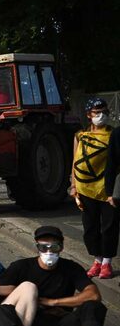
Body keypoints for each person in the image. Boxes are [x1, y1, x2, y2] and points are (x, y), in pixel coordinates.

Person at [0, 226, 107, 326]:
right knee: (3, 309)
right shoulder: (21, 267)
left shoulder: (71, 268)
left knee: (94, 306)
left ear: (61, 247)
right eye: (43, 246)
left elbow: (93, 295)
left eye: (53, 246)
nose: (49, 251)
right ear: (37, 247)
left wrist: (54, 302)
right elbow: (2, 295)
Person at [70, 98, 118, 279]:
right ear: (89, 115)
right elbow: (75, 161)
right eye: (97, 112)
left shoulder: (114, 135)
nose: (101, 116)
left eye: (104, 112)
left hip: (107, 190)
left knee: (109, 227)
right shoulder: (80, 135)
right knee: (90, 227)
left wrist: (116, 191)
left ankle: (107, 263)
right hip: (85, 188)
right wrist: (73, 185)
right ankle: (97, 260)